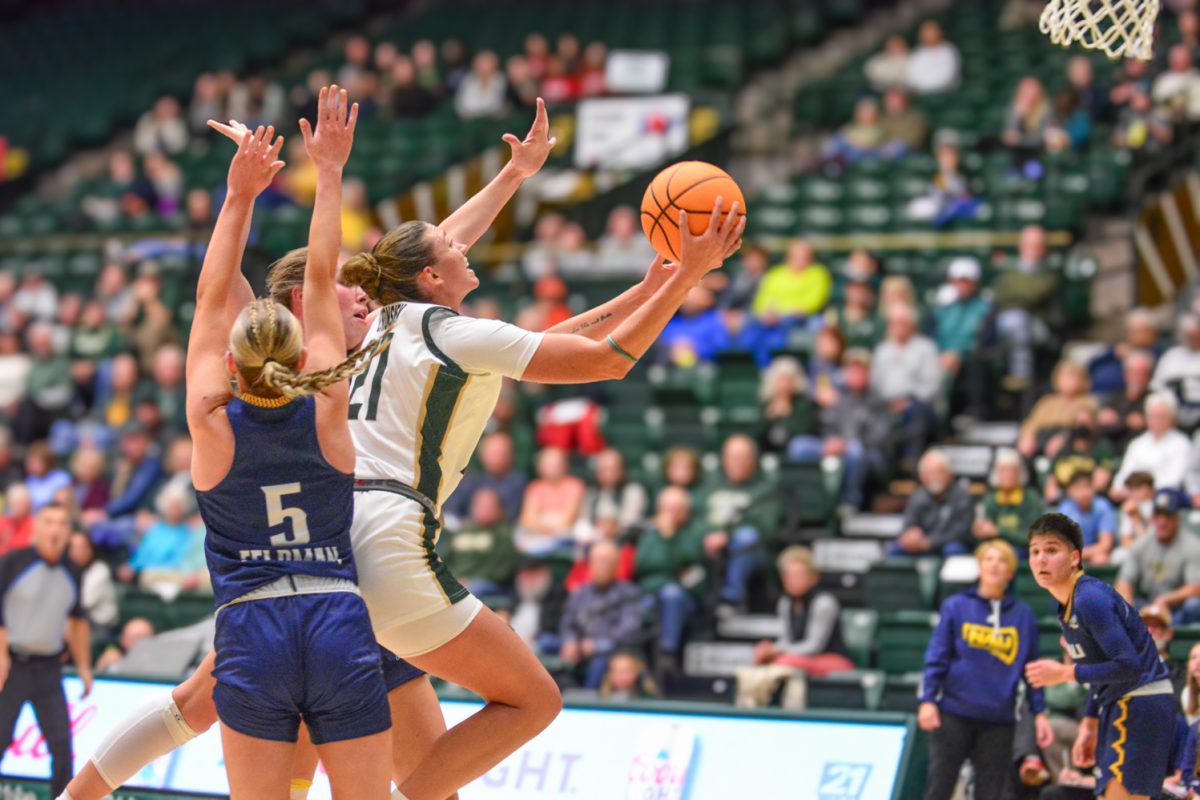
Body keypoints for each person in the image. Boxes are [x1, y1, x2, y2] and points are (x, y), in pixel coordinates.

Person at [186, 94, 395, 798]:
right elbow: (320, 276)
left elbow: (215, 295)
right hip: (336, 615)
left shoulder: (211, 423)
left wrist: (238, 195)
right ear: (304, 351)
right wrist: (328, 172)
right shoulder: (328, 403)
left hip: (251, 628)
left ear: (228, 362)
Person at [1025, 513, 1177, 800]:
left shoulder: (1089, 599)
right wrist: (1089, 723)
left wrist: (1065, 673)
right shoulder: (1068, 605)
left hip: (1139, 700)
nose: (1041, 559)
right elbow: (1101, 667)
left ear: (1074, 558)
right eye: (1035, 551)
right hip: (1122, 703)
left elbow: (1128, 665)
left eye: (1051, 550)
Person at [918, 540, 1052, 800]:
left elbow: (1033, 670)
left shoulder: (1023, 616)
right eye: (988, 559)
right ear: (979, 566)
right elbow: (936, 656)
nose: (994, 565)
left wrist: (1040, 713)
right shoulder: (956, 607)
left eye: (1002, 560)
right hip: (954, 713)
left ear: (1010, 572)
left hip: (999, 720)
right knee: (939, 788)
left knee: (990, 793)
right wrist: (927, 700)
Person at [0, 504, 93, 797]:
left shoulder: (73, 571)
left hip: (49, 671)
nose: (55, 529)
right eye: (49, 522)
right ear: (37, 527)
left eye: (62, 524)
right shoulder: (13, 562)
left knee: (62, 747)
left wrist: (84, 667)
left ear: (68, 533)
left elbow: (78, 622)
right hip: (12, 666)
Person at [735, 546, 853, 710]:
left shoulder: (824, 602)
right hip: (800, 657)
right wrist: (770, 649)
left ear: (813, 577)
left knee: (783, 661)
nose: (793, 580)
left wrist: (778, 651)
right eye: (789, 575)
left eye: (799, 575)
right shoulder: (785, 603)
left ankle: (790, 711)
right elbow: (786, 639)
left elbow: (813, 646)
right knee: (762, 657)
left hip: (832, 659)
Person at [634, 486, 705, 670]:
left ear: (686, 512)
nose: (670, 515)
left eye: (676, 510)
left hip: (683, 601)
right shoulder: (648, 536)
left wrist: (669, 539)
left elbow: (690, 569)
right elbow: (642, 565)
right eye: (666, 509)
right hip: (649, 593)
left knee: (672, 594)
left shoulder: (692, 536)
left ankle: (668, 652)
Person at [558, 540, 644, 689]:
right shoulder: (580, 594)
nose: (601, 566)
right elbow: (567, 622)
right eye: (597, 561)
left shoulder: (628, 593)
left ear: (616, 565)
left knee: (600, 663)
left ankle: (587, 704)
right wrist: (569, 641)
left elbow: (629, 629)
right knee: (545, 645)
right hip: (579, 646)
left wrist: (597, 645)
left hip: (611, 650)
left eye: (606, 561)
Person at [1115, 489, 1200, 626]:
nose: (1162, 522)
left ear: (1177, 519)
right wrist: (1129, 611)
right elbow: (1124, 581)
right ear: (1152, 518)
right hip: (1148, 604)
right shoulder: (1142, 543)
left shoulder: (1192, 546)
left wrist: (1165, 600)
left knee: (1195, 605)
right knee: (1115, 602)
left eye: (1167, 516)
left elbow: (1196, 588)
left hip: (1177, 609)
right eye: (1158, 516)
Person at [892, 449, 974, 557]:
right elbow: (909, 524)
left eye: (938, 472)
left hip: (947, 544)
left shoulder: (962, 497)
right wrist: (911, 535)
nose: (934, 477)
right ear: (922, 477)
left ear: (949, 474)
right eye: (929, 473)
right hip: (921, 544)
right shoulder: (917, 497)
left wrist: (930, 542)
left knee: (953, 549)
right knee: (896, 548)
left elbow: (962, 532)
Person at [1111, 392, 1192, 495]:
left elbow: (1174, 481)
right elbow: (1124, 474)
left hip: (1164, 500)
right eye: (1152, 416)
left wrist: (1144, 491)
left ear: (1171, 418)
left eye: (1160, 416)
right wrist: (1120, 488)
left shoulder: (1181, 443)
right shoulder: (1137, 443)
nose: (1156, 421)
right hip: (1132, 496)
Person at [974, 447, 1044, 553]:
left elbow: (1032, 537)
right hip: (996, 550)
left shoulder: (1031, 498)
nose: (1008, 474)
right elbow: (986, 531)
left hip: (1022, 551)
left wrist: (999, 532)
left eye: (1012, 470)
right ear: (996, 473)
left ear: (1020, 472)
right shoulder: (991, 498)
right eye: (1003, 470)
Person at [1058, 470, 1117, 567]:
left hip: (1094, 553)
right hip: (1073, 554)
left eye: (1087, 486)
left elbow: (1106, 544)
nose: (1084, 492)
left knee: (1100, 559)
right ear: (1070, 491)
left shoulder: (1103, 507)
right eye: (1078, 488)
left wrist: (1083, 554)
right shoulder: (1065, 509)